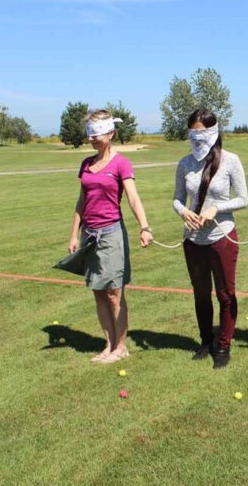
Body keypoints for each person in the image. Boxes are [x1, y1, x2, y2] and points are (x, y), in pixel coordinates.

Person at [68, 109, 153, 364]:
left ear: (111, 134)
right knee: (98, 291)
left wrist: (144, 227)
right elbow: (81, 201)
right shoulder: (86, 164)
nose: (91, 138)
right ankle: (109, 344)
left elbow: (133, 197)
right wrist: (74, 234)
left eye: (96, 134)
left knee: (114, 292)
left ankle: (120, 347)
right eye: (89, 134)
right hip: (89, 234)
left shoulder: (121, 163)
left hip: (111, 233)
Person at [173, 109, 248, 369]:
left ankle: (223, 346)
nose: (198, 138)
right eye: (193, 133)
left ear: (214, 132)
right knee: (201, 294)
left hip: (222, 237)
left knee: (225, 294)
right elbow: (177, 198)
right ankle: (206, 342)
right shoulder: (185, 163)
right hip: (193, 241)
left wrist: (216, 208)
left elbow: (243, 199)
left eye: (202, 133)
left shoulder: (230, 160)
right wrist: (183, 212)